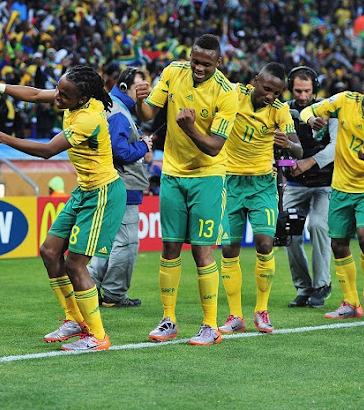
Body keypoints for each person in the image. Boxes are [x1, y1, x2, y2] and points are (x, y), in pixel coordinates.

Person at [0, 65, 125, 351]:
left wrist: (2, 138)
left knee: (75, 264)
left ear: (82, 99)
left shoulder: (88, 118)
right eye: (58, 90)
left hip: (103, 194)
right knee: (48, 251)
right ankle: (75, 320)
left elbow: (47, 151)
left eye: (63, 95)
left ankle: (97, 336)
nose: (57, 98)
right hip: (85, 190)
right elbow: (33, 94)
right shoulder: (74, 97)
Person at [135, 34, 238, 346]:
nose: (198, 68)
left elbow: (215, 148)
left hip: (207, 176)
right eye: (195, 61)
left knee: (201, 250)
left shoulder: (227, 93)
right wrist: (140, 99)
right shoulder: (172, 72)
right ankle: (168, 319)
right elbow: (148, 115)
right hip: (172, 174)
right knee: (169, 248)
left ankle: (210, 326)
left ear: (218, 63)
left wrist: (190, 127)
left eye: (206, 64)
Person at [300, 70, 364, 319]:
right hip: (341, 187)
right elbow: (307, 111)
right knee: (338, 244)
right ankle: (350, 302)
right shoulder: (345, 100)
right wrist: (311, 119)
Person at [217, 62, 302, 335]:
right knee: (229, 248)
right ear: (255, 81)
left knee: (265, 243)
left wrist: (287, 144)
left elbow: (298, 150)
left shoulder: (281, 111)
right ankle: (235, 315)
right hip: (231, 182)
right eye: (266, 89)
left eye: (276, 93)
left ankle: (261, 311)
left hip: (263, 185)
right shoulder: (233, 94)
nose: (270, 96)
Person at [88, 67, 152, 308]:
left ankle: (90, 287)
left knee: (107, 241)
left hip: (111, 184)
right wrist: (144, 147)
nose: (143, 90)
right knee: (126, 243)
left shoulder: (113, 106)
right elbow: (120, 151)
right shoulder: (119, 112)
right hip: (123, 186)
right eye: (139, 86)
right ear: (124, 87)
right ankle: (114, 294)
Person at [282, 67, 337, 308]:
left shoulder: (330, 110)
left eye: (307, 91)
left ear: (314, 88)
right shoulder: (283, 111)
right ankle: (304, 288)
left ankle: (321, 285)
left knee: (317, 225)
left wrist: (308, 162)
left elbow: (336, 147)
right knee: (288, 234)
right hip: (294, 184)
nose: (303, 96)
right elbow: (278, 152)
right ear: (290, 88)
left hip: (325, 184)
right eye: (297, 91)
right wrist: (289, 164)